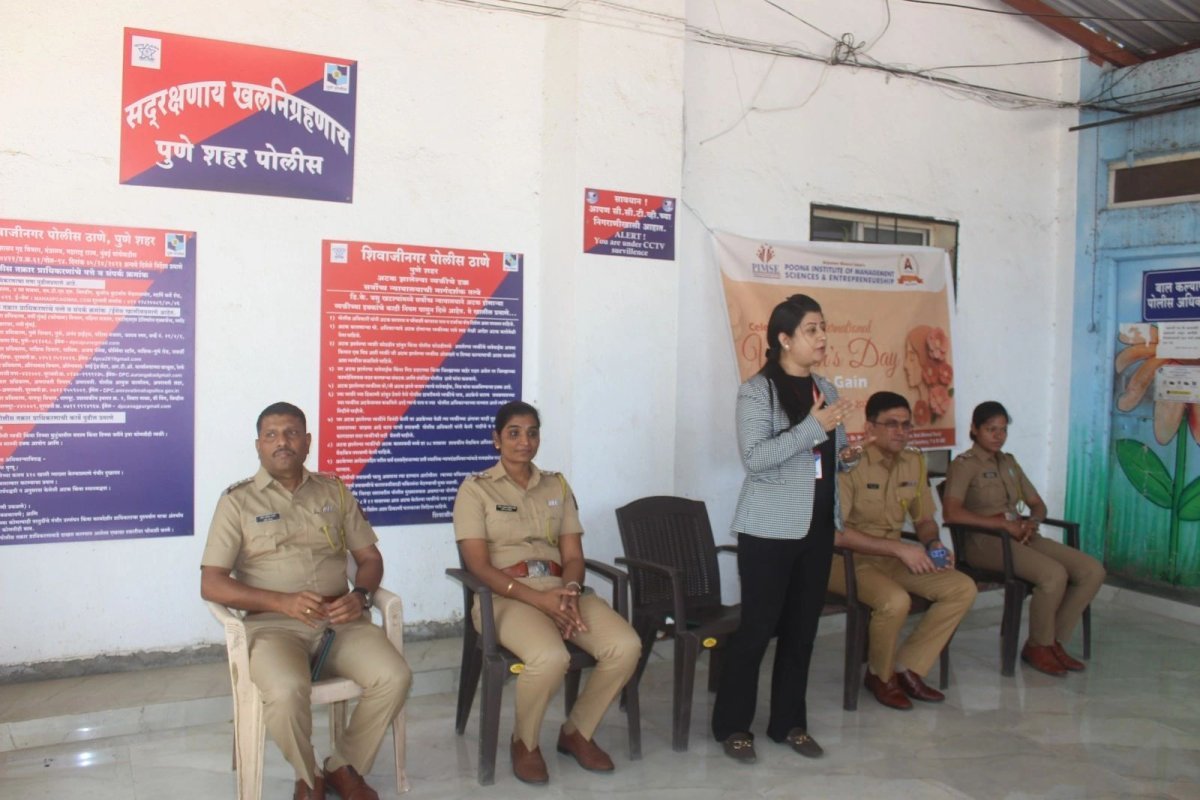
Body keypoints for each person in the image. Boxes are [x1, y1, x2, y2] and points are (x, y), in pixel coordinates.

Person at [201, 402, 410, 800]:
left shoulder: (334, 491)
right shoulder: (237, 502)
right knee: (283, 690)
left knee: (395, 676)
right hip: (273, 626)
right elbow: (212, 584)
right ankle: (308, 773)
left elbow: (369, 559)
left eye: (292, 433)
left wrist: (361, 597)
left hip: (341, 621)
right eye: (272, 435)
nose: (283, 442)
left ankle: (344, 766)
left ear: (308, 441)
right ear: (258, 446)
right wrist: (282, 602)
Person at [452, 401, 640, 785]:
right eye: (514, 433)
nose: (525, 441)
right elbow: (478, 566)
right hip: (504, 596)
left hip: (562, 591)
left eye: (532, 432)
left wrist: (569, 590)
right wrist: (539, 600)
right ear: (496, 440)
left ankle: (577, 732)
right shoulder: (476, 490)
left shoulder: (557, 485)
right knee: (550, 657)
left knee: (625, 646)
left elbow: (573, 555)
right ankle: (525, 741)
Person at [711, 293, 855, 764]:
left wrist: (846, 456)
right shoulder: (757, 392)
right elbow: (755, 458)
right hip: (769, 530)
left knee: (802, 631)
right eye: (812, 330)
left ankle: (789, 723)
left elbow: (827, 457)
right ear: (784, 339)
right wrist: (813, 429)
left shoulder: (826, 390)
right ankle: (733, 726)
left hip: (816, 528)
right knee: (757, 631)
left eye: (822, 328)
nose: (821, 338)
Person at [828, 391, 977, 709]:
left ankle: (908, 667)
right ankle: (880, 677)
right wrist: (900, 549)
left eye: (906, 425)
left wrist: (933, 543)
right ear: (870, 428)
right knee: (896, 601)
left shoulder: (914, 461)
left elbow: (923, 518)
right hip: (845, 561)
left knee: (960, 587)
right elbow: (837, 536)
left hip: (894, 556)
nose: (901, 432)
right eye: (891, 424)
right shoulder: (848, 464)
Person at [942, 401, 1105, 676]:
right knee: (1053, 575)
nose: (998, 436)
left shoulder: (1009, 462)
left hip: (1020, 535)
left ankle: (1053, 641)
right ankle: (1038, 646)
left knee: (1091, 570)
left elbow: (1037, 504)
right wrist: (1000, 526)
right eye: (990, 429)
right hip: (984, 542)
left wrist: (1033, 521)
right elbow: (951, 512)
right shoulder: (964, 465)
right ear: (974, 429)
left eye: (1003, 430)